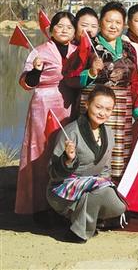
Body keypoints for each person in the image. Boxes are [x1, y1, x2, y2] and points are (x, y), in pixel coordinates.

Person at [72, 2, 138, 180]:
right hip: (95, 105)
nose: (113, 26)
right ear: (100, 22)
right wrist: (91, 72)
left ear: (124, 25)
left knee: (119, 153)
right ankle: (88, 188)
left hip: (121, 109)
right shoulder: (88, 45)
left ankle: (114, 190)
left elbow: (134, 81)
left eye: (118, 22)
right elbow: (73, 76)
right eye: (109, 21)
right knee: (92, 148)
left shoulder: (129, 48)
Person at [16, 12, 78, 220]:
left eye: (69, 27)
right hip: (43, 104)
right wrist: (36, 71)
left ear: (75, 31)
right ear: (51, 29)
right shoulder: (39, 51)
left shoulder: (78, 51)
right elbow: (26, 83)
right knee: (41, 152)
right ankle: (39, 206)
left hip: (69, 103)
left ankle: (63, 204)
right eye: (59, 26)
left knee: (65, 151)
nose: (64, 30)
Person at [47, 85, 127, 242]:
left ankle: (85, 218)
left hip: (93, 187)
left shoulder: (109, 133)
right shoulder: (71, 132)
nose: (102, 113)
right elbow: (52, 172)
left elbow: (105, 169)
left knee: (119, 206)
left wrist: (104, 184)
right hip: (63, 190)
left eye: (108, 109)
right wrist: (68, 160)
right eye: (98, 107)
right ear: (87, 104)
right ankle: (77, 232)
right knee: (99, 192)